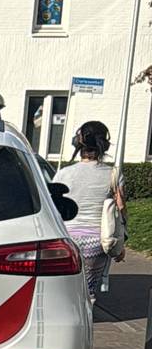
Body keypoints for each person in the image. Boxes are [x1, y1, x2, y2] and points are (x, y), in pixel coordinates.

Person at [54, 121, 126, 300]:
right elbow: (121, 208)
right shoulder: (113, 174)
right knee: (87, 294)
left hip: (66, 240)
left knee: (63, 293)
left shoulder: (64, 173)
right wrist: (121, 243)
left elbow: (53, 206)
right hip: (97, 241)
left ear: (78, 144)